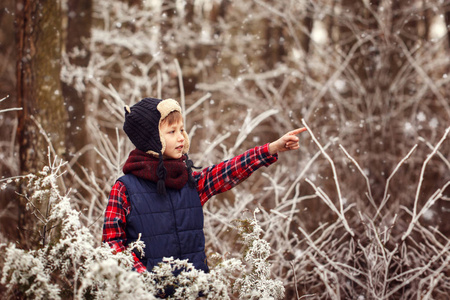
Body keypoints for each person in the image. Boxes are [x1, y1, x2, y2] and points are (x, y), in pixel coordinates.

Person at [102, 97, 306, 275]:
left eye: (181, 129)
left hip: (196, 292)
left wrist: (271, 149)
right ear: (151, 140)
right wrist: (142, 282)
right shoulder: (125, 189)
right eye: (171, 131)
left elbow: (228, 170)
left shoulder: (189, 183)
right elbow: (112, 245)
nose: (181, 137)